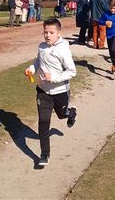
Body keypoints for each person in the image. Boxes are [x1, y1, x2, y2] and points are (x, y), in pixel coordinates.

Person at [24, 18, 77, 167]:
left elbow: (72, 72)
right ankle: (44, 155)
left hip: (60, 91)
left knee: (62, 115)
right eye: (45, 32)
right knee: (43, 122)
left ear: (58, 33)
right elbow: (37, 62)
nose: (48, 35)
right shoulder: (42, 47)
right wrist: (31, 69)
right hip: (43, 91)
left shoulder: (63, 49)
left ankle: (71, 113)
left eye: (51, 32)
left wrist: (54, 77)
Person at [99, 0, 115, 77]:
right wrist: (105, 23)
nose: (112, 10)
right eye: (111, 8)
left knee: (114, 48)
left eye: (114, 8)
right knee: (110, 50)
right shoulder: (106, 14)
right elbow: (100, 21)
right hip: (109, 34)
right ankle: (114, 65)